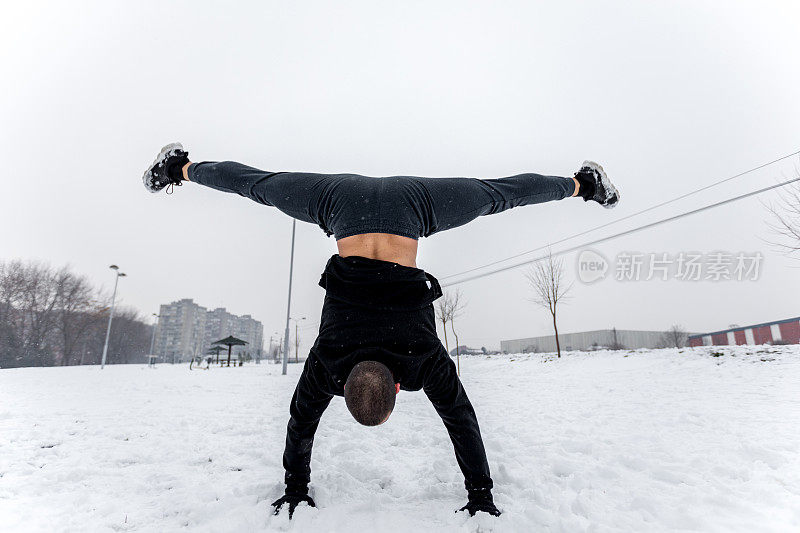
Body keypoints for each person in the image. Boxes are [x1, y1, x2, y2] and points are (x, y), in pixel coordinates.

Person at [142, 143, 619, 519]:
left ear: (396, 386)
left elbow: (461, 420)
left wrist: (481, 495)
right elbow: (299, 422)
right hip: (341, 202)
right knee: (259, 186)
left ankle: (584, 185)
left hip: (414, 207)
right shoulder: (329, 359)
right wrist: (295, 489)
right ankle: (179, 167)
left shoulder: (421, 357)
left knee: (498, 194)